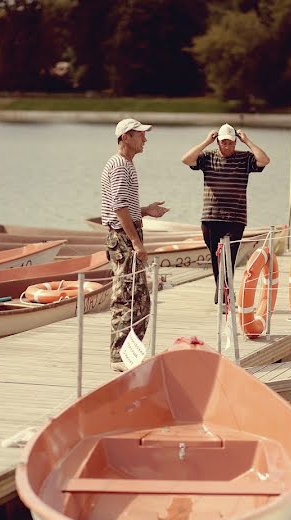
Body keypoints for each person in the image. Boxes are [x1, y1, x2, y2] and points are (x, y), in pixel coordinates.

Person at [101, 118, 169, 372]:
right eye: (140, 135)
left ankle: (129, 354)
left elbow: (123, 206)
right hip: (123, 238)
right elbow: (118, 208)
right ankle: (120, 356)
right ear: (126, 137)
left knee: (139, 299)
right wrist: (135, 242)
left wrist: (146, 211)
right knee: (127, 296)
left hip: (125, 234)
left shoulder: (124, 164)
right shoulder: (120, 165)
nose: (145, 140)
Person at [181, 123, 270, 303]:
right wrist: (206, 141)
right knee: (216, 257)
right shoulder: (208, 158)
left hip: (235, 218)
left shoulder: (244, 159)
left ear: (235, 143)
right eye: (223, 143)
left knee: (228, 256)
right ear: (218, 143)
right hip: (210, 217)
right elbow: (186, 159)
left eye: (230, 143)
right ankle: (222, 292)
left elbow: (264, 160)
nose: (227, 146)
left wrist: (248, 141)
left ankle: (225, 294)